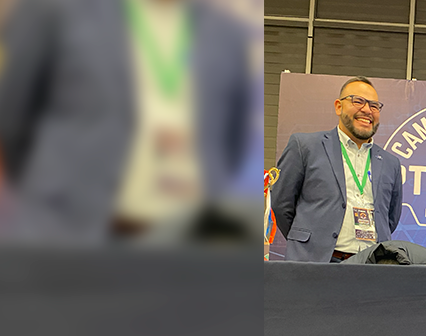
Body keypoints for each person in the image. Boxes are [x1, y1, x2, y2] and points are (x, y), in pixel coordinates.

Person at [0, 0, 253, 244]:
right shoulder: (55, 9)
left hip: (184, 243)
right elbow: (14, 118)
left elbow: (231, 142)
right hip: (68, 232)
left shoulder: (226, 34)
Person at [272, 76, 403, 263]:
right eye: (358, 101)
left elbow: (391, 218)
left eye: (374, 106)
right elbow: (281, 203)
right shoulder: (305, 146)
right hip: (315, 262)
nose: (367, 110)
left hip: (371, 266)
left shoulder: (391, 163)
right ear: (338, 106)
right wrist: (307, 242)